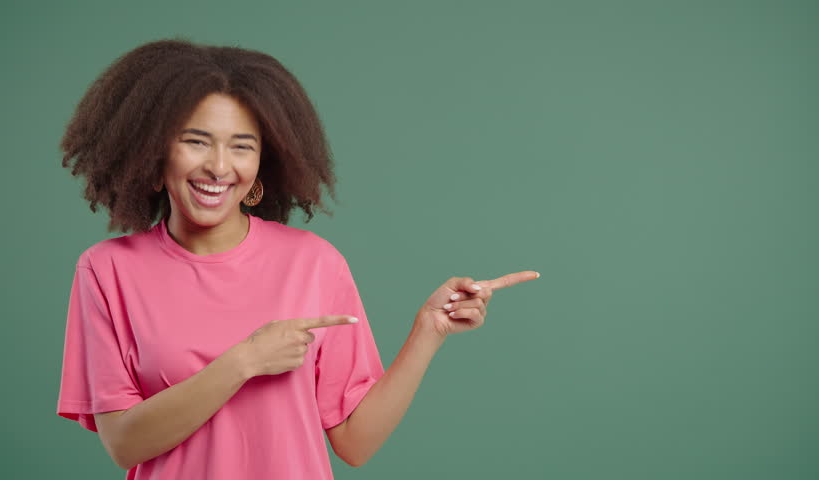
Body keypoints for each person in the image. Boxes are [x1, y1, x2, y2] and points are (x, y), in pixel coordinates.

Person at [55, 38, 540, 479]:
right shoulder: (107, 270)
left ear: (263, 162)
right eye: (196, 140)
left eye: (241, 147)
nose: (219, 167)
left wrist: (428, 332)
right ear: (153, 153)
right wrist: (244, 361)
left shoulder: (313, 263)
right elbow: (124, 444)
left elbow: (355, 442)